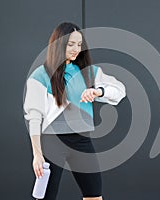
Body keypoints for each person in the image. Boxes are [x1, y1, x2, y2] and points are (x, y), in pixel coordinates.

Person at [23, 22, 126, 200]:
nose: (76, 49)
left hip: (82, 142)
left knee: (94, 195)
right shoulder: (40, 75)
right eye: (70, 44)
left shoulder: (89, 72)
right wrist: (37, 155)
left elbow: (119, 90)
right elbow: (34, 117)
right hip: (52, 142)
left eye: (79, 45)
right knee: (45, 197)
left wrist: (98, 91)